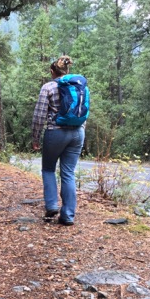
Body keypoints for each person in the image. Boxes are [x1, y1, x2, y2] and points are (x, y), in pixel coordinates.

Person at [31, 56, 85, 226]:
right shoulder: (79, 86)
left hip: (55, 133)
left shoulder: (48, 87)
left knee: (48, 169)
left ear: (52, 71)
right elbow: (84, 112)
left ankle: (52, 205)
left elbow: (39, 116)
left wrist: (35, 138)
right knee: (68, 173)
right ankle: (68, 215)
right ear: (67, 71)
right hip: (77, 133)